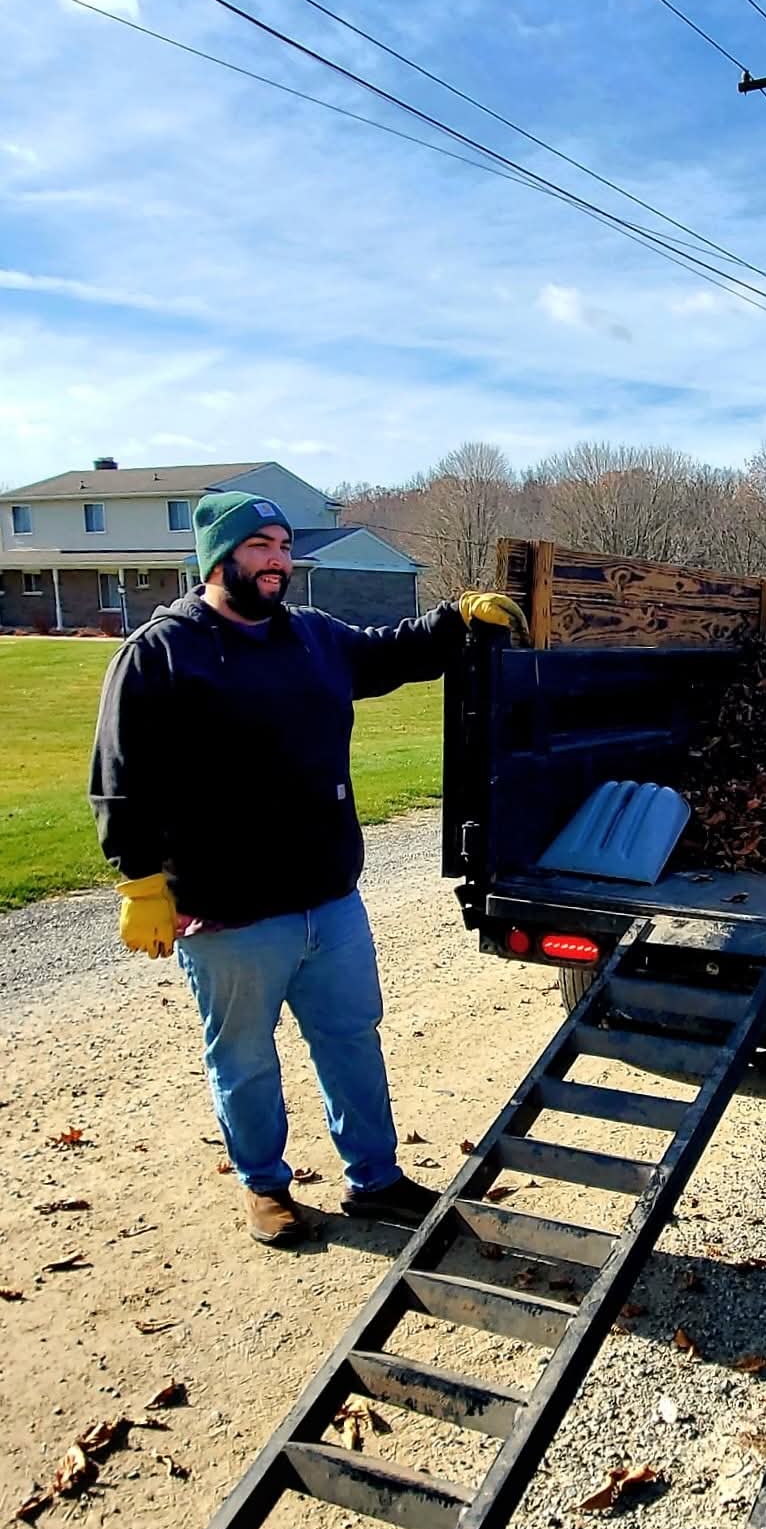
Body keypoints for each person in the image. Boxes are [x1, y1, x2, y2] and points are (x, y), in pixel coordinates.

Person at [89, 489, 524, 1248]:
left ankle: (376, 1179)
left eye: (285, 546)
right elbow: (120, 776)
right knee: (247, 1061)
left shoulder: (313, 637)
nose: (278, 561)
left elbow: (390, 652)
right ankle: (265, 1186)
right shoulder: (159, 653)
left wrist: (455, 620)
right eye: (260, 546)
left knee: (353, 1037)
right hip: (230, 913)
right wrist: (140, 881)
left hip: (329, 899)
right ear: (217, 556)